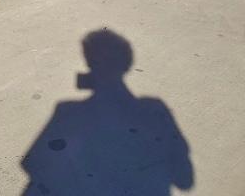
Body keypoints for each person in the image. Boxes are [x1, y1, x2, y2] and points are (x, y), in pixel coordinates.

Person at [21, 29, 193, 195]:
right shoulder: (154, 111)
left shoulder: (68, 112)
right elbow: (185, 180)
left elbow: (34, 164)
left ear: (89, 63)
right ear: (126, 64)